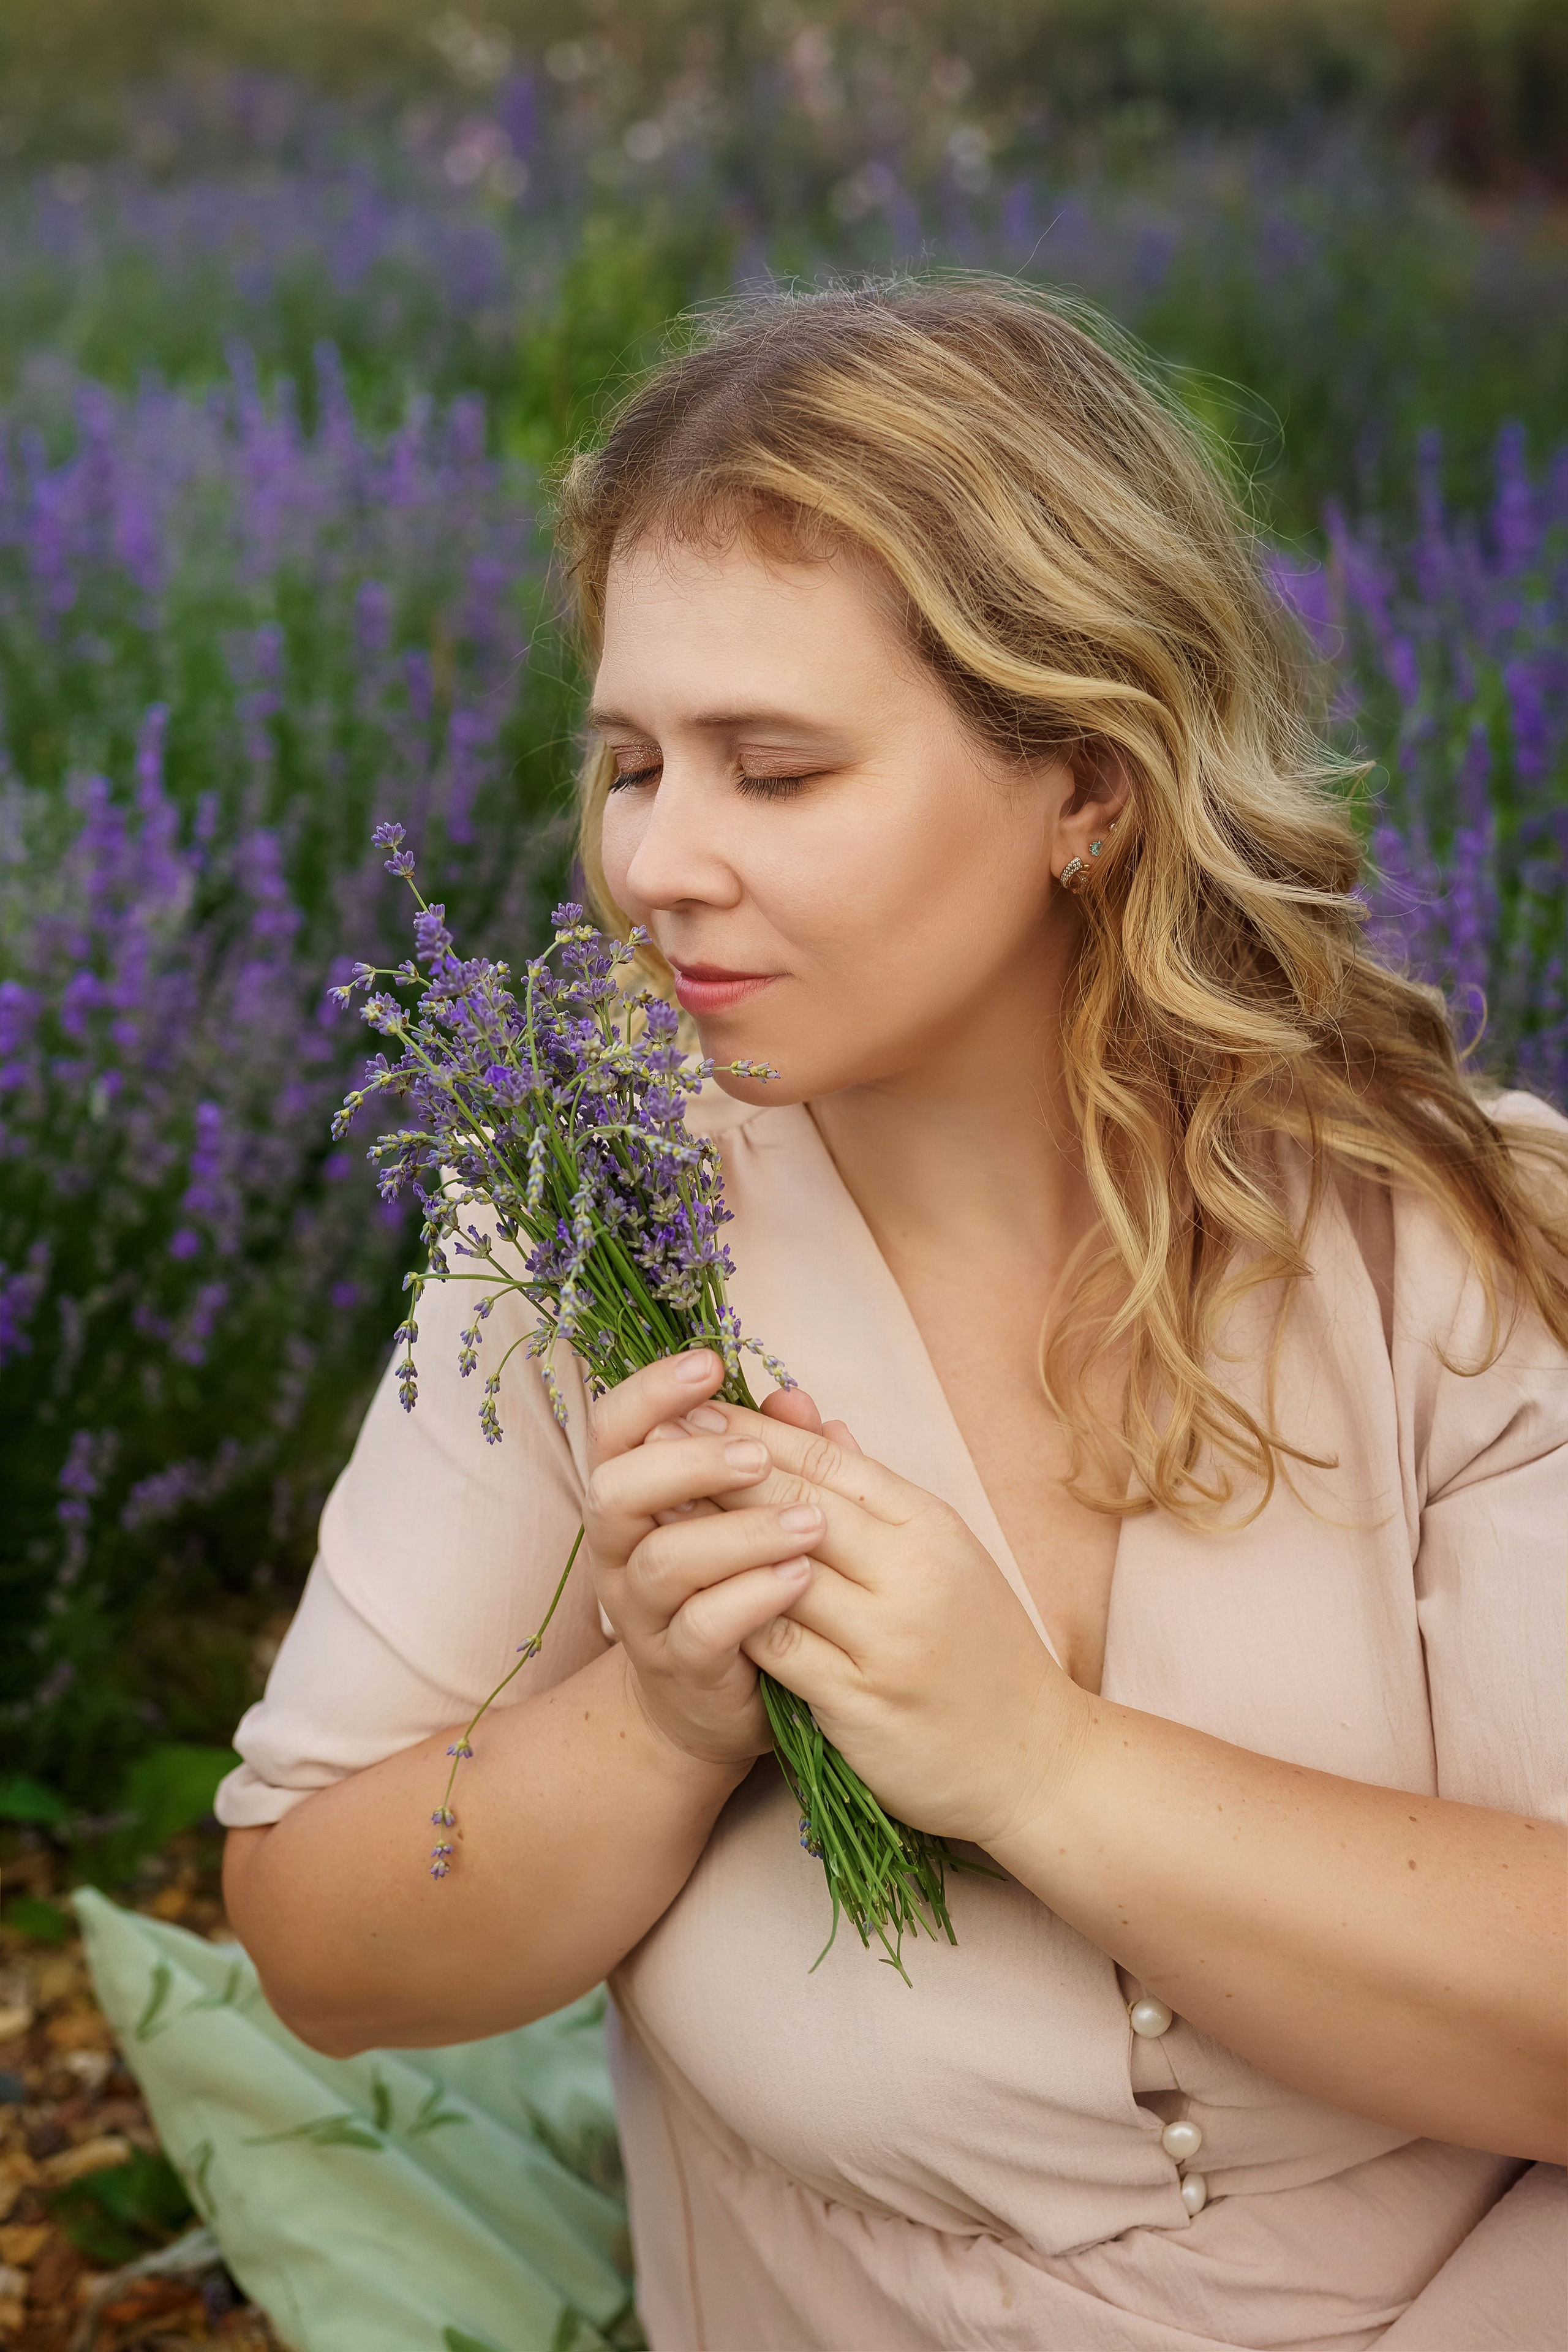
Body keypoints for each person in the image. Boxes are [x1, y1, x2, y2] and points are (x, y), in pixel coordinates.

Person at [217, 280, 1567, 2351]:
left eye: (775, 768)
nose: (658, 859)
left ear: (1088, 786)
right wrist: (661, 1717)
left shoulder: (1452, 1241)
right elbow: (323, 1945)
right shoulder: (594, 1237)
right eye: (633, 762)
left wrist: (1039, 1769)